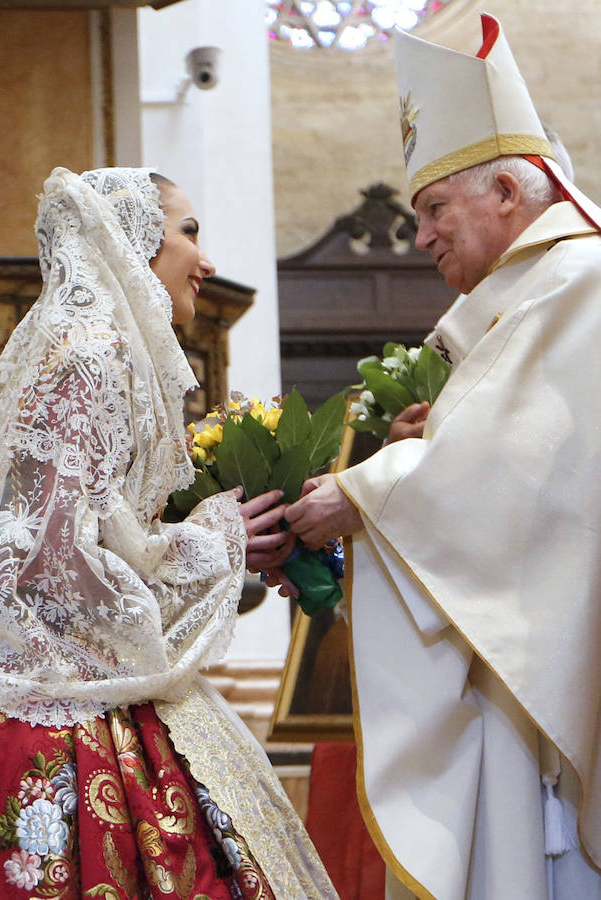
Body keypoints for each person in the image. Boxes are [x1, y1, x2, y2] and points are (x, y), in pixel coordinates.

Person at [0, 167, 336, 899]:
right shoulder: (91, 352)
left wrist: (214, 537)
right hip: (30, 696)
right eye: (188, 232)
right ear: (133, 243)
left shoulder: (96, 346)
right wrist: (213, 542)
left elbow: (94, 530)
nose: (205, 261)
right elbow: (49, 562)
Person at [262, 14, 601, 900]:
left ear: (504, 191)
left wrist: (364, 493)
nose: (421, 238)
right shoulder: (521, 297)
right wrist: (426, 449)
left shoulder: (578, 282)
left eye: (434, 210)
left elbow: (539, 483)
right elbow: (501, 470)